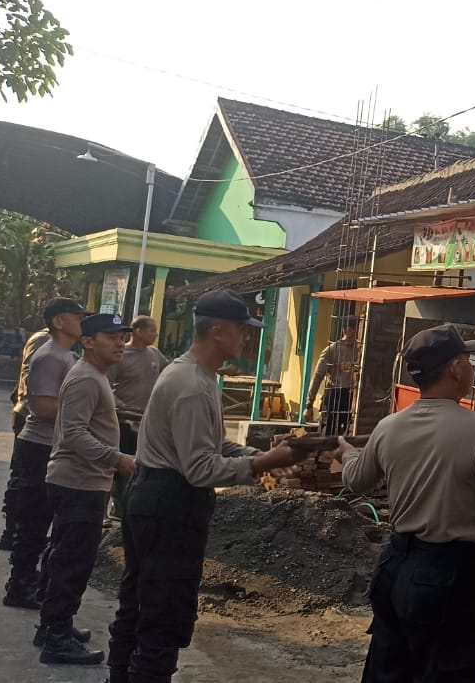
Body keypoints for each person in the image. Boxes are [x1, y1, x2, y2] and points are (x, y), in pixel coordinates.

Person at [106, 290, 308, 683]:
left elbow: (211, 443)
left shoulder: (195, 375)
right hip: (169, 503)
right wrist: (262, 463)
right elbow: (199, 468)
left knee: (139, 602)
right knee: (163, 616)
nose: (246, 337)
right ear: (216, 330)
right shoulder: (192, 385)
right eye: (241, 329)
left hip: (153, 496)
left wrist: (258, 453)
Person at [334, 324, 475, 683]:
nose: (471, 369)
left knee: (388, 670)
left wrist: (349, 453)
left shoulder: (389, 427)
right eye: (467, 361)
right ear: (455, 369)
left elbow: (355, 480)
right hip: (449, 577)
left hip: (394, 568)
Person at [36, 313, 137, 665]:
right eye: (112, 336)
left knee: (63, 556)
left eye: (123, 336)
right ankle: (56, 639)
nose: (120, 343)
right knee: (72, 563)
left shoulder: (95, 375)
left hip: (82, 481)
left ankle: (51, 626)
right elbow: (75, 434)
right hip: (79, 482)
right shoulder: (85, 379)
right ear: (89, 342)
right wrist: (118, 459)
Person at [4, 298, 87, 608]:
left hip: (50, 445)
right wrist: (85, 415)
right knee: (34, 521)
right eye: (76, 316)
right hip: (40, 445)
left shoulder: (65, 355)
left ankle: (27, 579)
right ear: (59, 321)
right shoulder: (50, 356)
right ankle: (19, 585)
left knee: (42, 519)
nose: (81, 321)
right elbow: (43, 408)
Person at [107, 315, 169, 520]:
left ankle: (129, 506)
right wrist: (120, 405)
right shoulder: (121, 355)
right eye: (152, 330)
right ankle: (115, 507)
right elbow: (106, 385)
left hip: (145, 421)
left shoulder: (155, 354)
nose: (156, 334)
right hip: (123, 421)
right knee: (120, 465)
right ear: (138, 331)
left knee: (141, 465)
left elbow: (170, 372)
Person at [0, 327, 52, 551]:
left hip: (30, 412)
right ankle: (13, 532)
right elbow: (31, 379)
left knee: (29, 476)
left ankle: (20, 532)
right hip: (30, 415)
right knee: (25, 476)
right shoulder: (45, 340)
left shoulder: (53, 342)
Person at [306, 316, 360, 436]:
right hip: (334, 395)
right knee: (328, 432)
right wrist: (309, 404)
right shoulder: (331, 350)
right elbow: (317, 376)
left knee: (347, 433)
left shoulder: (360, 350)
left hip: (352, 397)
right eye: (357, 328)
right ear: (350, 330)